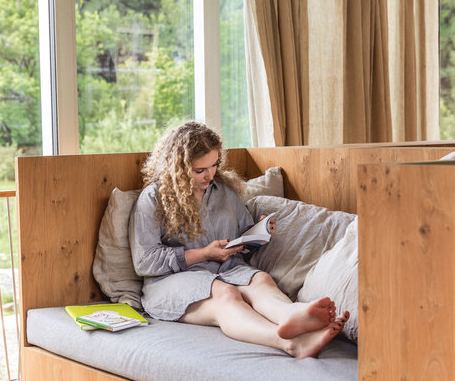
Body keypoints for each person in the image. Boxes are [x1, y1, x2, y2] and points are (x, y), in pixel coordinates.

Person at [129, 121, 349, 358]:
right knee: (226, 293)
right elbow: (145, 261)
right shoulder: (153, 198)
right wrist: (205, 253)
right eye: (200, 170)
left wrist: (259, 232)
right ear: (178, 168)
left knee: (261, 279)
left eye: (214, 165)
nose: (210, 175)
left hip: (227, 270)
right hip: (171, 283)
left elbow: (242, 237)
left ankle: (290, 314)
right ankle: (291, 344)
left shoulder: (223, 191)